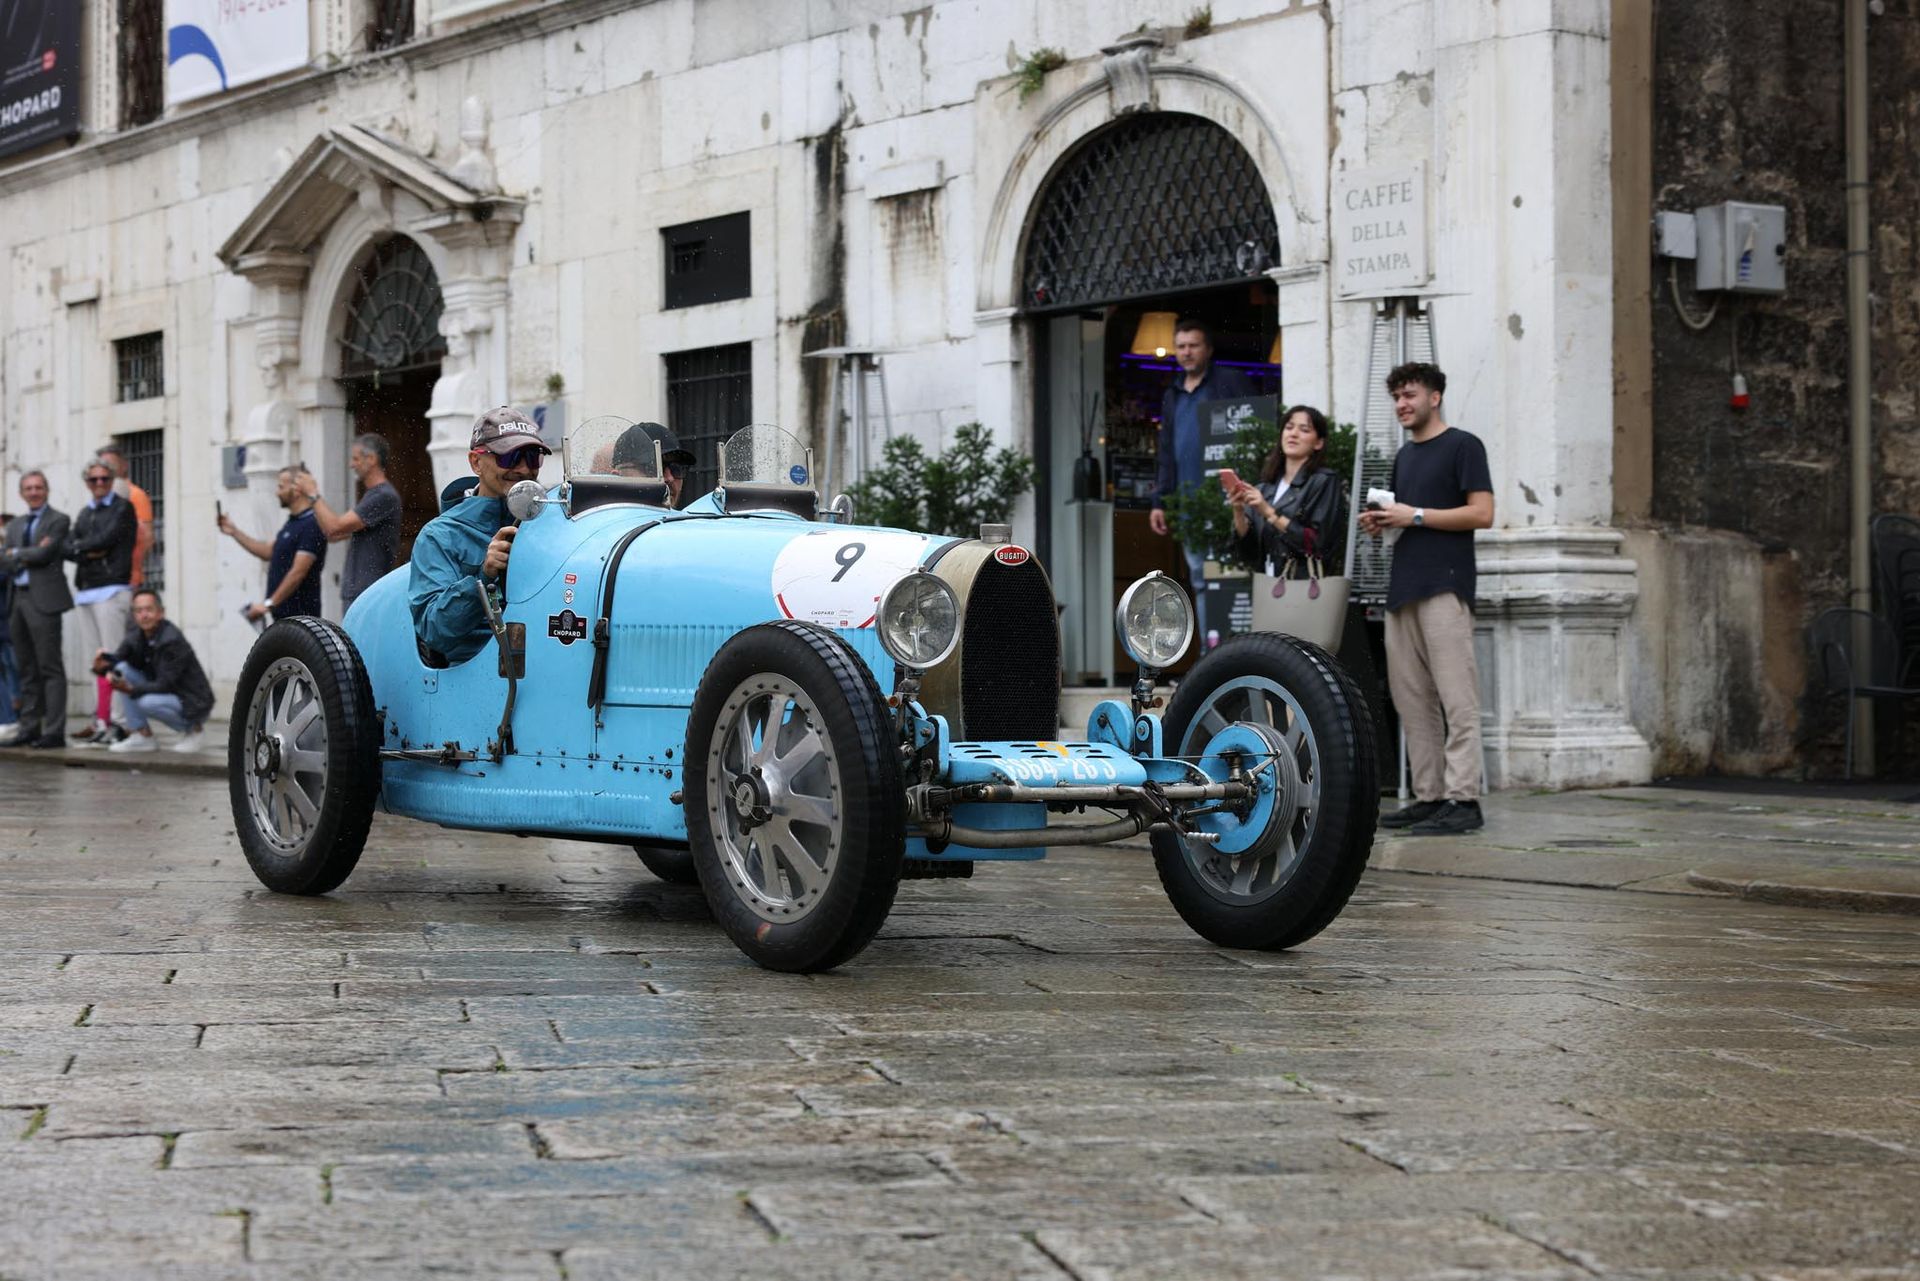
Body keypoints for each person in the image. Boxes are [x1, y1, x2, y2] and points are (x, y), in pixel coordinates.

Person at [1358, 362, 1495, 836]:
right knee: (1411, 699)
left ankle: (1464, 799)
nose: (1402, 404)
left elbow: (1483, 513)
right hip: (1403, 589)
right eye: (1396, 396)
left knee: (1457, 698)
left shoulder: (1464, 445)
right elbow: (1407, 518)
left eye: (1410, 394)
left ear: (1435, 396)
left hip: (1445, 586)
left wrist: (1413, 515)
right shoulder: (1404, 456)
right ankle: (1430, 794)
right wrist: (1382, 521)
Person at [410, 407, 550, 665]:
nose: (523, 469)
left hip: (548, 662)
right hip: (475, 674)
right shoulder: (440, 535)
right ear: (476, 462)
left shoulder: (550, 519)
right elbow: (433, 631)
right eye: (509, 457)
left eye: (533, 457)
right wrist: (484, 577)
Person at [1149, 317, 1256, 595]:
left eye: (1193, 345)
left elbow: (1257, 432)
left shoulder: (1231, 382)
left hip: (1229, 500)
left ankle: (1239, 639)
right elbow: (1166, 451)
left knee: (1236, 578)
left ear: (1208, 349)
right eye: (1181, 346)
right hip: (1191, 508)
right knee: (1200, 578)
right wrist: (1159, 501)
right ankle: (1213, 640)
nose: (1186, 352)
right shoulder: (1172, 393)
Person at [64, 460, 139, 745]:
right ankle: (102, 720)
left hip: (111, 589)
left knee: (114, 660)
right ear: (87, 482)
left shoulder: (122, 507)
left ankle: (120, 723)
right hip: (86, 591)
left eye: (104, 479)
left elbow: (105, 540)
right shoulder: (85, 512)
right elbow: (68, 548)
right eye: (93, 479)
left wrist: (85, 548)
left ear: (112, 479)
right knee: (96, 662)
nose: (99, 484)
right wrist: (88, 550)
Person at [1226, 404, 1346, 578]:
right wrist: (1238, 510)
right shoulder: (1264, 488)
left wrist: (1269, 513)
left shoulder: (1324, 481)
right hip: (1266, 586)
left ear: (1318, 442)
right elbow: (1247, 553)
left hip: (1305, 587)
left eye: (1304, 430)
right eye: (1288, 427)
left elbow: (1317, 543)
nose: (1293, 434)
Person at [0, 472, 74, 748]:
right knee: (26, 668)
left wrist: (16, 553)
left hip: (45, 600)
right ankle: (30, 727)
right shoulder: (16, 524)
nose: (34, 492)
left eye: (39, 487)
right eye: (29, 488)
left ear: (47, 490)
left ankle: (54, 731)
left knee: (49, 666)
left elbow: (45, 554)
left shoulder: (58, 520)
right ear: (21, 493)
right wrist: (23, 553)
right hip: (17, 599)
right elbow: (2, 561)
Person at [94, 587, 214, 755]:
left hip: (191, 699)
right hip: (165, 690)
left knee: (147, 702)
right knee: (121, 670)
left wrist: (131, 690)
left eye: (149, 610)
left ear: (160, 613)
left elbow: (165, 684)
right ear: (134, 614)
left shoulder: (172, 640)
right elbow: (118, 659)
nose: (144, 615)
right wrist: (101, 666)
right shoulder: (136, 634)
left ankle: (195, 730)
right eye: (139, 611)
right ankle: (142, 736)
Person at [300, 432, 402, 610]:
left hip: (367, 591)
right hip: (360, 589)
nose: (351, 465)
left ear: (371, 459)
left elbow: (334, 527)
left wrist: (312, 493)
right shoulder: (373, 495)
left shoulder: (383, 496)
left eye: (355, 459)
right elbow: (332, 533)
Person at [219, 466, 328, 622]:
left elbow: (298, 572)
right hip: (284, 618)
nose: (277, 492)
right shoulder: (293, 522)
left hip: (301, 619)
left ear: (296, 490)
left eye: (281, 487)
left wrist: (269, 603)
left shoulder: (312, 524)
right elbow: (269, 551)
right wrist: (234, 531)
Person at [94, 444, 154, 589]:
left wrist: (131, 566)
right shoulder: (99, 498)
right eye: (103, 466)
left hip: (125, 578)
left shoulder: (135, 495)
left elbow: (146, 538)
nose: (107, 471)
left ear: (124, 466)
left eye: (111, 465)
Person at [612, 421, 695, 507]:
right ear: (618, 478)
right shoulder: (601, 518)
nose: (669, 478)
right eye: (653, 468)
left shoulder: (692, 519)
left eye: (676, 469)